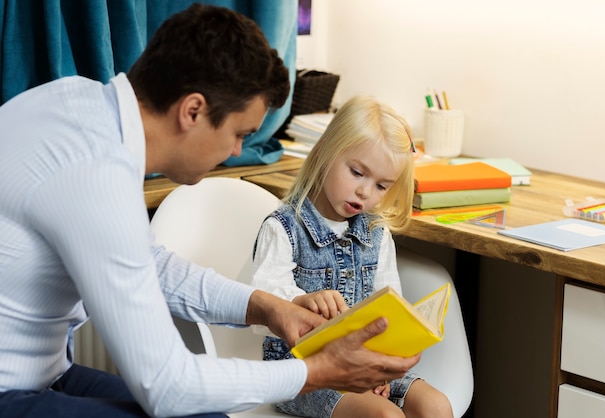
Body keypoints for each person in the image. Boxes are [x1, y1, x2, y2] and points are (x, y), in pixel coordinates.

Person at [0, 4, 420, 418]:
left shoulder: (88, 111)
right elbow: (167, 386)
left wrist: (269, 307)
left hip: (46, 373)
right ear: (193, 110)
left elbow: (151, 266)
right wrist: (314, 372)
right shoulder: (94, 171)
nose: (237, 151)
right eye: (239, 133)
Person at [251, 96, 454, 418]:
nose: (365, 192)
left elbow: (389, 306)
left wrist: (382, 368)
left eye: (381, 185)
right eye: (357, 172)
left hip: (366, 362)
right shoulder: (284, 228)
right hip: (301, 372)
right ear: (327, 152)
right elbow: (261, 306)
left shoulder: (376, 232)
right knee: (385, 415)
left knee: (436, 406)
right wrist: (302, 301)